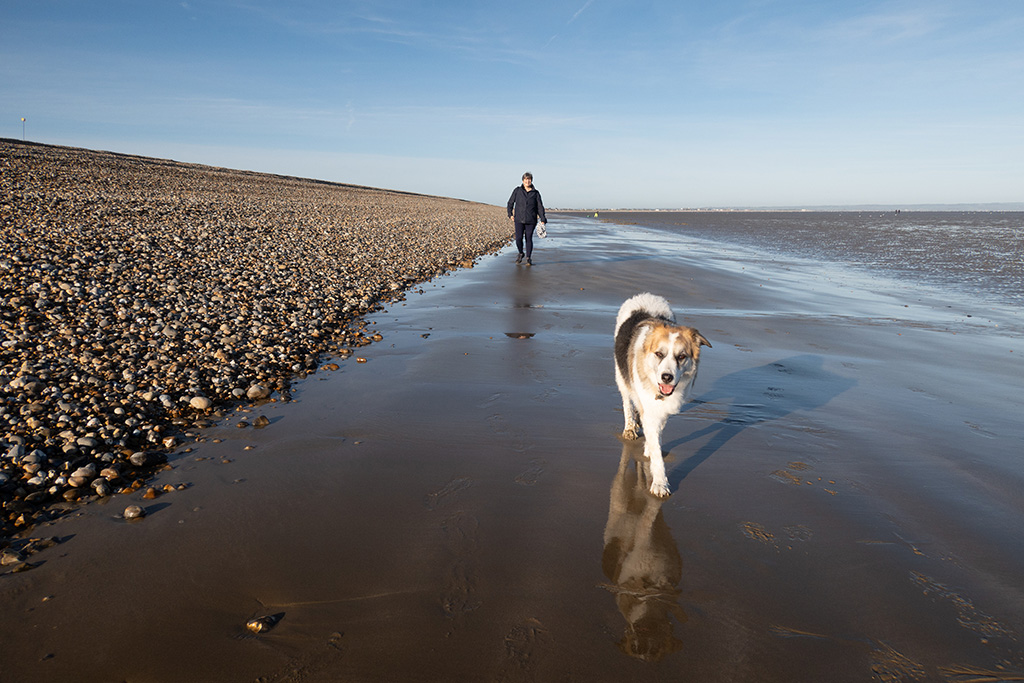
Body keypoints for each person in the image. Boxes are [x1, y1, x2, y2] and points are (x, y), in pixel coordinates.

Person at [507, 172, 547, 266]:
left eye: (529, 179)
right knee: (518, 238)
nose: (527, 181)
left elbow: (540, 207)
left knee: (528, 238)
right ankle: (521, 253)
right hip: (519, 219)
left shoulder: (536, 193)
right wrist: (510, 214)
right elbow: (510, 203)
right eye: (525, 179)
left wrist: (542, 218)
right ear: (523, 180)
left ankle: (528, 258)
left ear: (531, 181)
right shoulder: (517, 191)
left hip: (531, 220)